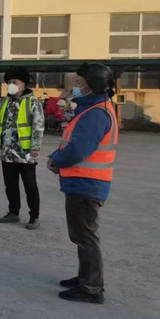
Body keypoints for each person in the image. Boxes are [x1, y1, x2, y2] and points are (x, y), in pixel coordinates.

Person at [47, 63, 118, 304]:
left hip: (86, 184)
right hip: (84, 183)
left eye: (79, 82)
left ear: (92, 85)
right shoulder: (91, 109)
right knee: (81, 235)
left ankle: (91, 288)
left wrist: (56, 161)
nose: (75, 87)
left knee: (85, 236)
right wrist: (56, 157)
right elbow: (72, 143)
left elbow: (77, 150)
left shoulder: (96, 113)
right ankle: (85, 277)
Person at [0, 68, 45, 230]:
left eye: (14, 82)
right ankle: (13, 212)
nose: (11, 85)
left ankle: (34, 216)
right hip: (7, 152)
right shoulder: (4, 101)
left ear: (23, 84)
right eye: (8, 82)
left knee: (30, 186)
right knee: (10, 185)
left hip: (25, 152)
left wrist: (35, 147)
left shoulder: (33, 102)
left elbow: (38, 126)